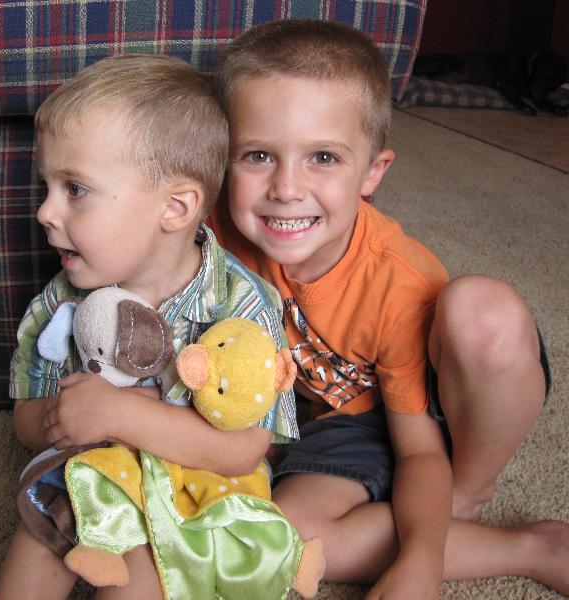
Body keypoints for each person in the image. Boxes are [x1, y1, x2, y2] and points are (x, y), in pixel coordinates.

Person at [209, 18, 569, 599]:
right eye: (257, 155)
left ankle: (466, 495)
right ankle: (529, 545)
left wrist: (424, 556)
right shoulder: (217, 231)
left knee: (483, 309)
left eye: (323, 157)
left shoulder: (395, 282)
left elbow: (418, 450)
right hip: (339, 418)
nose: (286, 188)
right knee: (280, 535)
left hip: (439, 403)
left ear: (372, 173)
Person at [0, 54, 301, 600]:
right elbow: (25, 420)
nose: (45, 212)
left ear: (175, 207)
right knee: (35, 546)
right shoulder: (61, 300)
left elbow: (244, 450)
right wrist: (68, 416)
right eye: (47, 187)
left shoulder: (243, 305)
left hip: (192, 498)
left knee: (145, 580)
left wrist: (122, 414)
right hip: (88, 477)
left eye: (75, 189)